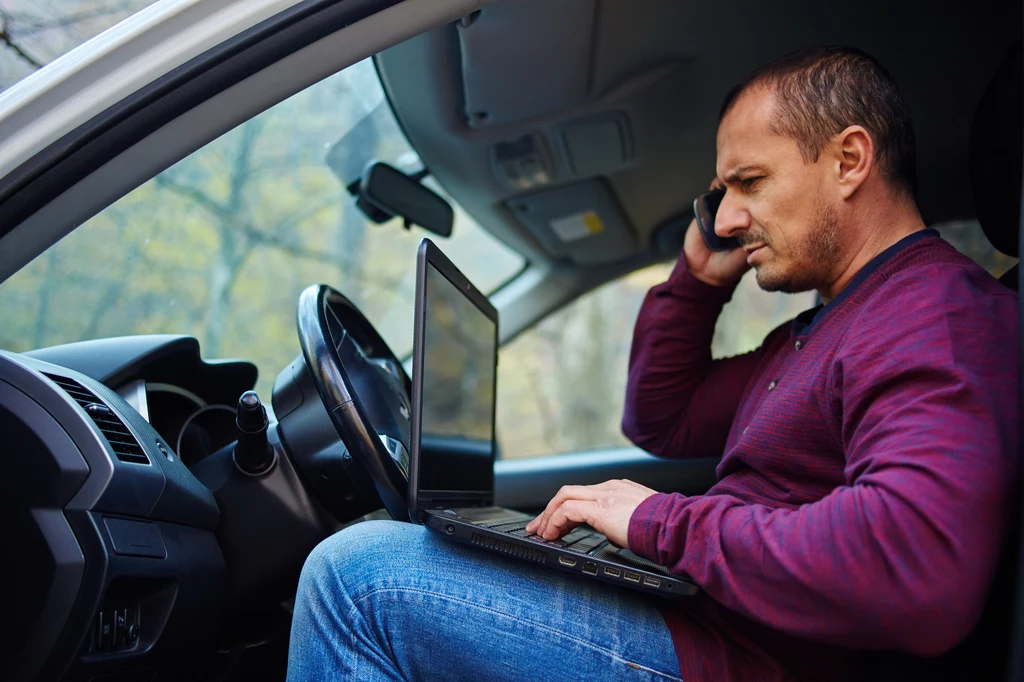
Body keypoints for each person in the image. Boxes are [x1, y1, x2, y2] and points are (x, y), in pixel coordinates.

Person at [286, 47, 1020, 681]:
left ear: (849, 160)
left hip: (744, 661)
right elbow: (661, 417)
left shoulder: (937, 315)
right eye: (723, 192)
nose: (725, 219)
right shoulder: (827, 325)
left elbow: (920, 570)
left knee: (355, 580)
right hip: (706, 626)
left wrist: (662, 524)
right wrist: (696, 284)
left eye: (749, 182)